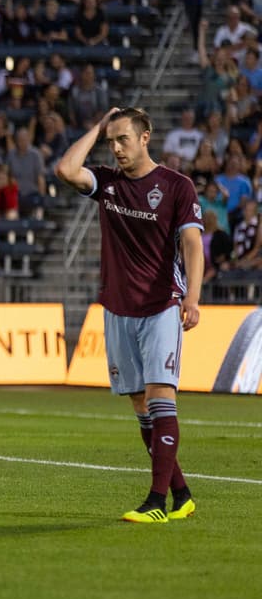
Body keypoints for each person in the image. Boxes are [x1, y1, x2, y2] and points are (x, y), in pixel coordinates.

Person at [54, 107, 204, 524]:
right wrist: (98, 126)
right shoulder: (107, 183)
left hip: (161, 305)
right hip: (117, 308)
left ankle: (155, 503)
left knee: (160, 396)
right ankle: (182, 494)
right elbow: (67, 169)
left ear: (145, 137)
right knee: (140, 405)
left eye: (123, 139)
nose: (116, 148)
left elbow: (192, 244)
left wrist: (192, 298)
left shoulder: (176, 186)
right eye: (111, 141)